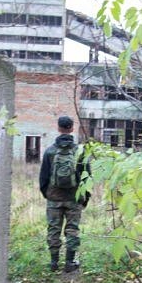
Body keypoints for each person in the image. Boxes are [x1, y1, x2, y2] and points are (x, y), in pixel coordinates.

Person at [39, 115, 91, 272]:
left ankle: (54, 263)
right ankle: (69, 263)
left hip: (54, 198)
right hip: (74, 198)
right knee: (72, 229)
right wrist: (84, 198)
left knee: (53, 229)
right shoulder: (80, 152)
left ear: (58, 128)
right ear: (72, 128)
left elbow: (43, 178)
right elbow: (87, 177)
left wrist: (48, 195)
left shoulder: (50, 151)